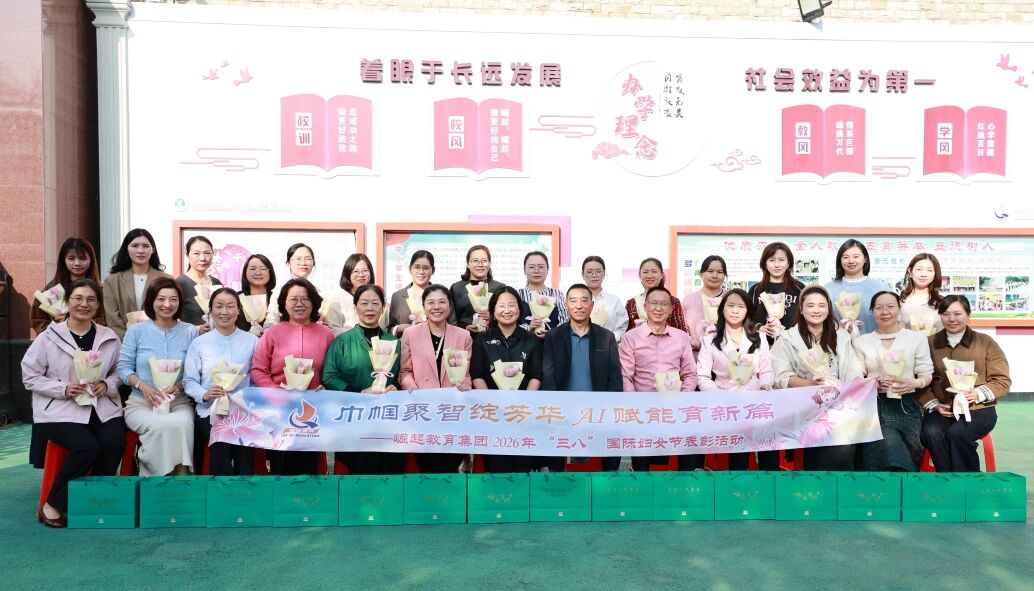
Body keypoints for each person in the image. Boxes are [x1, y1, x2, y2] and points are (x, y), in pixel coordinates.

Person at [21, 279, 124, 528]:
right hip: (59, 410)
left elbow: (120, 371)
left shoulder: (109, 337)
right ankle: (53, 504)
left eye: (91, 299)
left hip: (100, 406)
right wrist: (63, 389)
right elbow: (29, 376)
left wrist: (107, 385)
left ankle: (93, 501)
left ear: (98, 305)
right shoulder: (49, 337)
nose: (84, 304)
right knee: (86, 446)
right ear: (67, 302)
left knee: (114, 441)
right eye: (78, 298)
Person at [771, 285, 863, 471]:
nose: (816, 310)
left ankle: (835, 483)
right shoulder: (787, 338)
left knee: (844, 442)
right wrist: (810, 383)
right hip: (802, 406)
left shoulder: (841, 337)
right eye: (810, 305)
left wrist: (847, 387)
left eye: (821, 305)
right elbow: (781, 376)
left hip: (838, 404)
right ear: (801, 309)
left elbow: (853, 371)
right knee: (831, 442)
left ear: (829, 309)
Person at [251, 278, 335, 475]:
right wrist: (277, 392)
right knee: (281, 464)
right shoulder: (272, 333)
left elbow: (332, 371)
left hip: (313, 408)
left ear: (313, 302)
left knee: (310, 466)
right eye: (293, 299)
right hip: (279, 408)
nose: (299, 304)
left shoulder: (326, 334)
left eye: (305, 299)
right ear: (284, 303)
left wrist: (325, 386)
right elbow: (258, 369)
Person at [920, 295, 1010, 472]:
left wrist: (977, 394)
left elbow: (1002, 381)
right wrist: (934, 405)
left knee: (958, 434)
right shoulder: (928, 343)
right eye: (946, 314)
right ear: (940, 316)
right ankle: (949, 478)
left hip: (979, 409)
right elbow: (921, 379)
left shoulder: (986, 342)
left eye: (957, 313)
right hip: (943, 409)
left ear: (968, 315)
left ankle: (966, 481)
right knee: (931, 433)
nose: (951, 319)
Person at [117, 277, 198, 476]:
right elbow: (123, 368)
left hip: (178, 403)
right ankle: (157, 479)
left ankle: (182, 478)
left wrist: (179, 386)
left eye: (173, 299)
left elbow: (194, 371)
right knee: (160, 425)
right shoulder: (136, 331)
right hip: (141, 403)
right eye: (161, 299)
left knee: (183, 424)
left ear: (180, 302)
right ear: (151, 301)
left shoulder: (189, 331)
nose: (167, 304)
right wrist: (143, 386)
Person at [322, 284, 405, 475]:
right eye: (364, 303)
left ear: (383, 308)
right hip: (353, 419)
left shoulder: (394, 342)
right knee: (357, 473)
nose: (369, 308)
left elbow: (403, 372)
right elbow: (329, 375)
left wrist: (396, 386)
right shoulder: (343, 341)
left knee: (389, 472)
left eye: (375, 303)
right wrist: (358, 393)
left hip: (387, 420)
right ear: (355, 307)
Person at [542, 284, 622, 471]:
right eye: (573, 301)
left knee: (603, 458)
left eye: (584, 301)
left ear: (592, 305)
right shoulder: (554, 336)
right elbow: (548, 375)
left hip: (597, 411)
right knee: (558, 461)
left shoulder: (606, 337)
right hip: (562, 411)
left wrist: (610, 408)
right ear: (566, 305)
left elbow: (614, 376)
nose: (579, 306)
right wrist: (554, 407)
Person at [619, 286, 698, 471]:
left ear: (671, 309)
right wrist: (634, 405)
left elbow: (690, 374)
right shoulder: (630, 338)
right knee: (642, 467)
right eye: (653, 303)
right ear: (645, 306)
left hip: (675, 409)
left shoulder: (681, 337)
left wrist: (682, 398)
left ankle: (684, 486)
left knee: (686, 453)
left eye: (664, 304)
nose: (658, 308)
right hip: (642, 411)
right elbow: (625, 375)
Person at [696, 288, 775, 470]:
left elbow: (766, 371)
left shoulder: (760, 337)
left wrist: (765, 385)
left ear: (748, 310)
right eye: (730, 305)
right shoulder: (710, 339)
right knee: (735, 456)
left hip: (754, 403)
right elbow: (702, 376)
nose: (735, 310)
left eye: (741, 306)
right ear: (722, 309)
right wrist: (718, 396)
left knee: (767, 446)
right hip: (724, 405)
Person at [853, 291, 933, 471]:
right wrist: (873, 383)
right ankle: (892, 477)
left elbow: (926, 374)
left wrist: (913, 383)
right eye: (879, 308)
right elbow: (856, 376)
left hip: (906, 405)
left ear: (899, 309)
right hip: (873, 405)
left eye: (890, 307)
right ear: (872, 311)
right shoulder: (861, 342)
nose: (885, 312)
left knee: (894, 437)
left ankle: (892, 478)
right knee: (884, 434)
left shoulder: (917, 338)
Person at [183, 288, 259, 475]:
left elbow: (257, 377)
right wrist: (205, 393)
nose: (224, 312)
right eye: (219, 306)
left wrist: (248, 397)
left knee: (244, 440)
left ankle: (245, 486)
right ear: (210, 311)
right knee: (221, 440)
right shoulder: (200, 343)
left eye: (230, 306)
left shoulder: (252, 341)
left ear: (239, 311)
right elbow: (189, 380)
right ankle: (220, 488)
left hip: (243, 411)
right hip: (209, 411)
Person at [399, 284, 472, 473]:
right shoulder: (410, 334)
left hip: (452, 413)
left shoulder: (463, 336)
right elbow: (405, 371)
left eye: (442, 302)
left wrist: (466, 383)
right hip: (423, 411)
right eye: (431, 302)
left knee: (451, 467)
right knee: (427, 466)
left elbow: (466, 374)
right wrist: (412, 387)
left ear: (450, 306)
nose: (436, 307)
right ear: (424, 306)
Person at [470, 287, 545, 472]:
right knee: (496, 468)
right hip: (492, 415)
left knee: (523, 469)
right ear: (493, 310)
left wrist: (523, 404)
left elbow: (536, 375)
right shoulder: (482, 339)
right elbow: (477, 375)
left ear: (519, 309)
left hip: (523, 415)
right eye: (501, 306)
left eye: (512, 305)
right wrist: (493, 404)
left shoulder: (531, 339)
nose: (507, 310)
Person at [103, 228, 171, 339]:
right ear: (126, 249)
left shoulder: (166, 279)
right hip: (123, 341)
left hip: (159, 338)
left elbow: (170, 312)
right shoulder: (112, 281)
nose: (140, 250)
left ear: (153, 249)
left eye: (145, 246)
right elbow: (113, 318)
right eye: (135, 246)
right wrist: (129, 340)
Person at [30, 237, 105, 335]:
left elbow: (107, 320)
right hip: (59, 341)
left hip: (94, 340)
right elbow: (38, 320)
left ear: (91, 260)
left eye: (82, 258)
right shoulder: (52, 290)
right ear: (63, 260)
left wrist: (78, 323)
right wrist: (56, 325)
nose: (77, 263)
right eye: (71, 258)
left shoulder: (101, 290)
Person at [824, 239, 888, 334]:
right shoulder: (829, 288)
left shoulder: (880, 287)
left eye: (856, 256)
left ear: (865, 259)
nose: (851, 261)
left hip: (873, 342)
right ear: (840, 260)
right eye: (845, 257)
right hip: (837, 342)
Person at [746, 242, 805, 343]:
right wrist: (760, 327)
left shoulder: (799, 288)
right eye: (772, 260)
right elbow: (747, 317)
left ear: (788, 263)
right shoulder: (755, 290)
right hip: (762, 344)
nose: (777, 265)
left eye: (781, 260)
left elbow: (806, 314)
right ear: (765, 264)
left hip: (793, 344)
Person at [388, 250, 454, 337]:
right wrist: (399, 328)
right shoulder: (397, 297)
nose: (421, 272)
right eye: (417, 267)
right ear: (410, 269)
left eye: (426, 268)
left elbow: (453, 324)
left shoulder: (443, 294)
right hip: (405, 344)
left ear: (433, 270)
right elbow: (390, 329)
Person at [450, 245, 506, 332]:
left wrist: (493, 316)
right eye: (475, 261)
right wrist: (465, 329)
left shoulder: (499, 288)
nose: (480, 264)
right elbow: (451, 319)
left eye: (484, 261)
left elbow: (506, 315)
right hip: (463, 337)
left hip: (493, 336)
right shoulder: (457, 288)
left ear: (489, 263)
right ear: (468, 264)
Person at [326, 253, 383, 336]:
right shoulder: (337, 300)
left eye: (365, 270)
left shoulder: (378, 297)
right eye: (356, 271)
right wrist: (359, 335)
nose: (361, 275)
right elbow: (332, 330)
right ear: (348, 274)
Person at [625, 258, 687, 332]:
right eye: (645, 272)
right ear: (640, 275)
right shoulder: (631, 303)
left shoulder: (673, 302)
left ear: (661, 275)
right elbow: (626, 333)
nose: (649, 276)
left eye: (654, 272)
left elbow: (681, 332)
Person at [683, 255, 727, 358]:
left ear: (724, 275)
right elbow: (683, 331)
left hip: (726, 357)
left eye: (720, 272)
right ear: (701, 274)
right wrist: (697, 343)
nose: (715, 276)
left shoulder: (731, 298)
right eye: (710, 271)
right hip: (696, 357)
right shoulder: (689, 300)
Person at [175, 235, 221, 335]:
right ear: (187, 254)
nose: (202, 258)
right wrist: (195, 329)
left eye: (207, 253)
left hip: (217, 340)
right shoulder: (180, 283)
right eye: (196, 253)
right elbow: (169, 318)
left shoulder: (217, 283)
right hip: (190, 340)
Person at [517, 251, 568, 338]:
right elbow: (511, 322)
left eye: (541, 267)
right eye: (531, 267)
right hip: (523, 341)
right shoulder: (518, 294)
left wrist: (551, 333)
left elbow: (564, 320)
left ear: (548, 270)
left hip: (552, 342)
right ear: (524, 270)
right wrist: (528, 327)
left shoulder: (557, 294)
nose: (536, 270)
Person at [580, 256, 629, 342]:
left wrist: (607, 340)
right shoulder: (575, 300)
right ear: (583, 274)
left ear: (604, 274)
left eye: (598, 271)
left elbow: (621, 327)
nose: (594, 275)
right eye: (589, 272)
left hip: (608, 346)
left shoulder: (614, 301)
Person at [899, 253, 943, 335]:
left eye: (929, 270)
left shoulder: (942, 302)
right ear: (910, 272)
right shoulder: (899, 301)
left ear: (935, 274)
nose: (923, 274)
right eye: (919, 269)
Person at [235, 254, 279, 334]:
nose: (258, 272)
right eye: (253, 269)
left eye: (263, 269)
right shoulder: (235, 298)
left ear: (270, 272)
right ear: (245, 272)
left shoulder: (277, 298)